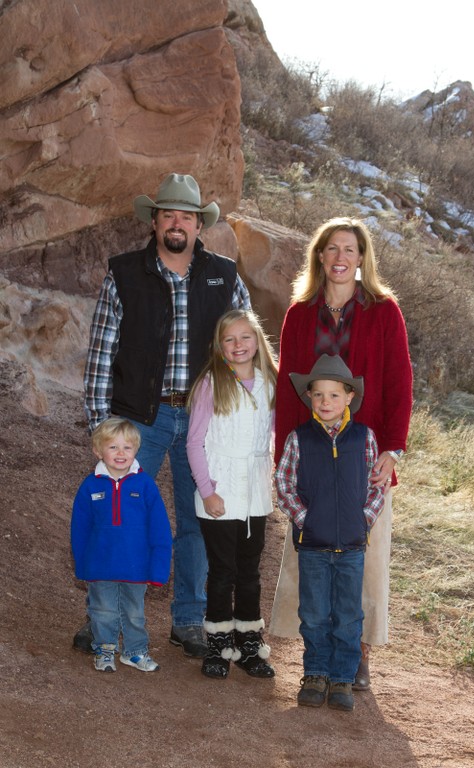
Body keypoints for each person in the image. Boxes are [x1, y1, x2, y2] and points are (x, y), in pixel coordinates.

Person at [76, 173, 251, 659]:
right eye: (168, 215)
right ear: (154, 222)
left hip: (202, 424)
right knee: (119, 518)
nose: (178, 224)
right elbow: (101, 352)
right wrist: (100, 425)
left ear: (200, 225)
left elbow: (245, 350)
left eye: (187, 217)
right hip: (138, 422)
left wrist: (239, 421)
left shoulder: (225, 276)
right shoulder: (124, 273)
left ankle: (189, 620)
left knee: (196, 523)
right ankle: (101, 622)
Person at [273, 217, 413, 689]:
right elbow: (285, 390)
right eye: (331, 248)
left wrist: (392, 450)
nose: (340, 258)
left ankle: (359, 656)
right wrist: (283, 462)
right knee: (308, 552)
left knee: (365, 558)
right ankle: (316, 656)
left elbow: (399, 384)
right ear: (319, 256)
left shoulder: (384, 311)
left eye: (349, 250)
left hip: (364, 455)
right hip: (310, 453)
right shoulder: (299, 312)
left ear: (362, 258)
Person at [275, 354, 384, 710]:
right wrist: (305, 519)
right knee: (316, 613)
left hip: (352, 546)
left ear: (349, 397)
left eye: (334, 395)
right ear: (309, 398)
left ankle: (342, 678)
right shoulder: (299, 438)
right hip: (313, 547)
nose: (326, 402)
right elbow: (284, 484)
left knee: (349, 614)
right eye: (318, 395)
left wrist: (362, 519)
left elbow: (376, 486)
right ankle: (316, 673)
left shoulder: (364, 438)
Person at [186, 309, 278, 679]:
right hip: (219, 492)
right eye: (230, 339)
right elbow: (194, 443)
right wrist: (207, 491)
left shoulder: (269, 382)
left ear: (257, 342)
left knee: (250, 572)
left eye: (245, 338)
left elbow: (272, 436)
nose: (238, 345)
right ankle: (218, 646)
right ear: (219, 345)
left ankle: (250, 646)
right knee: (223, 572)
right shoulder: (212, 382)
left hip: (255, 491)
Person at [71, 417, 172, 673]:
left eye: (127, 447)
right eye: (113, 447)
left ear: (136, 450)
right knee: (102, 610)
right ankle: (104, 649)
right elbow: (80, 530)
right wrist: (82, 565)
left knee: (135, 613)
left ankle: (135, 652)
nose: (120, 453)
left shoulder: (145, 485)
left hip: (136, 566)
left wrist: (159, 569)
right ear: (98, 450)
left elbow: (160, 530)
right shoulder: (90, 486)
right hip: (100, 564)